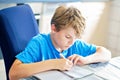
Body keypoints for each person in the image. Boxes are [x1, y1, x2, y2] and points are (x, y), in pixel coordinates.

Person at [9, 5, 111, 80]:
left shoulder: (75, 44)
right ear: (54, 28)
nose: (71, 42)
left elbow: (106, 54)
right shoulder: (39, 43)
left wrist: (86, 59)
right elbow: (13, 73)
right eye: (67, 37)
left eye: (75, 38)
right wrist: (54, 63)